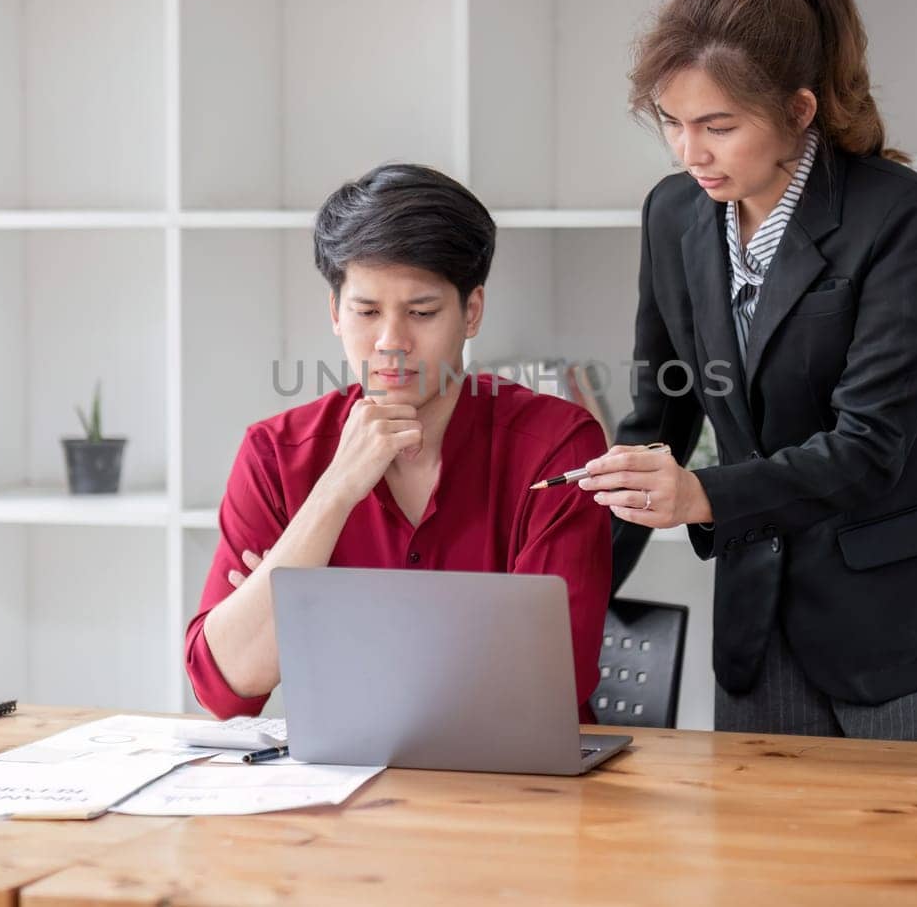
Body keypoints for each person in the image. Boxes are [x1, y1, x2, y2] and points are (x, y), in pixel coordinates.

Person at [578, 0, 917, 743]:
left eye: (718, 126)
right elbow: (660, 414)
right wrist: (575, 596)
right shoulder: (674, 213)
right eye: (671, 122)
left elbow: (868, 447)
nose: (689, 153)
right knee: (762, 868)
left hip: (906, 625)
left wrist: (699, 496)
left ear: (799, 110)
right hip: (758, 629)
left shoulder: (901, 215)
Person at [184, 164, 611, 721]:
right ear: (336, 313)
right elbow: (224, 688)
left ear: (471, 312)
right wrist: (333, 493)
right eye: (366, 312)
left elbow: (551, 677)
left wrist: (313, 614)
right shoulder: (276, 453)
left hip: (516, 784)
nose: (392, 343)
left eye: (421, 312)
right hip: (339, 784)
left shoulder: (555, 446)